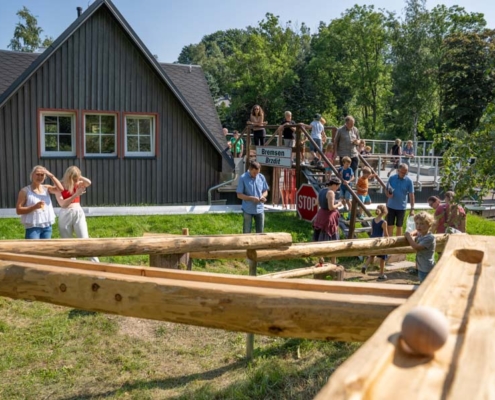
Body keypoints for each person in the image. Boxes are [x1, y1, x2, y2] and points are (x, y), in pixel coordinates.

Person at [56, 166, 99, 262]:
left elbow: (88, 182)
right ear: (69, 176)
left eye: (77, 178)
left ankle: (95, 264)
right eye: (74, 178)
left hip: (77, 211)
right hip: (65, 212)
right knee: (67, 242)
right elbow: (63, 204)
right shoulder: (60, 185)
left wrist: (80, 177)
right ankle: (72, 265)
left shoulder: (78, 183)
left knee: (84, 239)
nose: (76, 180)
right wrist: (76, 194)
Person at [15, 165, 64, 239]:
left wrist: (51, 175)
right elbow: (18, 210)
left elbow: (61, 189)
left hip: (47, 225)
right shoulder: (25, 191)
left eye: (42, 175)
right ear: (32, 175)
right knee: (33, 249)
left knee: (45, 249)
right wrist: (34, 207)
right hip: (33, 226)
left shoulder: (46, 188)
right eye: (37, 174)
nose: (39, 177)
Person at [312, 176, 343, 264]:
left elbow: (316, 203)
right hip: (328, 218)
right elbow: (331, 207)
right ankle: (333, 262)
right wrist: (339, 204)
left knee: (320, 239)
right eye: (337, 186)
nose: (337, 188)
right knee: (333, 239)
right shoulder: (331, 193)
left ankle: (321, 260)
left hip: (320, 215)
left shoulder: (322, 190)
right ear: (333, 185)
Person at [236, 161, 269, 233]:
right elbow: (239, 195)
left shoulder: (261, 177)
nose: (256, 175)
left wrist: (262, 196)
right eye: (254, 173)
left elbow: (265, 191)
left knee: (260, 233)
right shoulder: (243, 178)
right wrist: (251, 198)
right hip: (248, 209)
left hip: (260, 209)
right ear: (250, 169)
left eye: (258, 173)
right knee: (246, 233)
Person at [404, 212, 436, 283]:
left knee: (425, 285)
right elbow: (417, 231)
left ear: (429, 225)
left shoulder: (429, 238)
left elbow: (416, 247)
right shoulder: (422, 234)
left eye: (422, 224)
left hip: (427, 268)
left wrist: (408, 236)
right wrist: (412, 233)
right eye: (417, 224)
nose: (418, 226)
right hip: (421, 267)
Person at [385, 163, 415, 237]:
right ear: (398, 170)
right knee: (390, 225)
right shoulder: (392, 178)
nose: (404, 174)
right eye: (402, 172)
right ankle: (390, 242)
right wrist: (388, 194)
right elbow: (386, 190)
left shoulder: (409, 181)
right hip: (391, 206)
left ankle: (397, 243)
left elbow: (411, 195)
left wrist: (412, 208)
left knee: (399, 226)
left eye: (406, 172)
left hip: (401, 207)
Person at [361, 204, 389, 281]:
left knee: (372, 255)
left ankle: (365, 266)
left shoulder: (373, 220)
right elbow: (386, 234)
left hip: (373, 239)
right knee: (383, 258)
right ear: (384, 212)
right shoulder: (384, 222)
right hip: (380, 241)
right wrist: (389, 239)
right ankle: (381, 274)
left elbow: (372, 231)